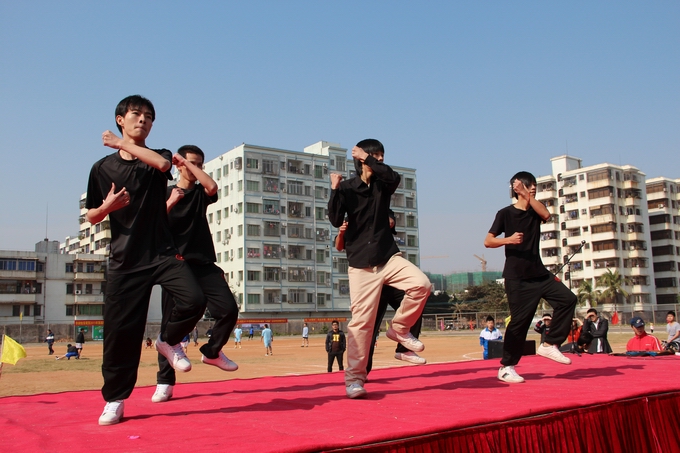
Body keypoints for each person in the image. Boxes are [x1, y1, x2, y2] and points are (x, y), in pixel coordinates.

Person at [87, 95, 206, 425]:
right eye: (136, 114)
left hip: (162, 252)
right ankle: (115, 399)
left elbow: (164, 166)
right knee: (120, 335)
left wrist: (119, 143)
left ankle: (167, 340)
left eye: (149, 117)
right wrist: (107, 207)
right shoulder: (102, 168)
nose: (143, 120)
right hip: (125, 259)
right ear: (120, 119)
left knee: (194, 299)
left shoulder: (159, 156)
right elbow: (92, 215)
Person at [328, 139, 431, 399]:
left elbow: (393, 177)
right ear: (360, 158)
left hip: (387, 258)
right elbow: (335, 219)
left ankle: (399, 328)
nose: (381, 159)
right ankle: (354, 380)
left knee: (422, 284)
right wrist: (334, 189)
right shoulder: (347, 188)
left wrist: (369, 158)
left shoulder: (383, 185)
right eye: (376, 154)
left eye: (382, 155)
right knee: (360, 325)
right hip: (361, 265)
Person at [153, 144, 239, 404]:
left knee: (228, 309)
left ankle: (212, 351)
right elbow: (154, 225)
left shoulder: (201, 193)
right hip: (175, 266)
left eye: (200, 164)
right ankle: (165, 382)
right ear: (178, 165)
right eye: (191, 163)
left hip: (203, 262)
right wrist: (171, 202)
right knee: (169, 326)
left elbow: (212, 186)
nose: (195, 168)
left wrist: (189, 164)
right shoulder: (165, 192)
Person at [484, 171, 577, 384]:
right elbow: (488, 241)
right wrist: (508, 240)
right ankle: (506, 368)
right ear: (517, 188)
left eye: (534, 184)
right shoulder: (505, 213)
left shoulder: (535, 211)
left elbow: (546, 215)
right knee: (519, 323)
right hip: (517, 278)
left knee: (568, 299)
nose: (533, 187)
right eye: (528, 184)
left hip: (540, 274)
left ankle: (549, 344)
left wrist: (527, 195)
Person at [335, 215, 426, 372]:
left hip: (390, 278)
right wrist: (342, 232)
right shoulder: (349, 218)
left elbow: (390, 221)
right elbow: (339, 246)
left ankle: (403, 350)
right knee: (368, 327)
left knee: (416, 305)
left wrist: (380, 219)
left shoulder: (379, 207)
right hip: (369, 282)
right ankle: (363, 371)